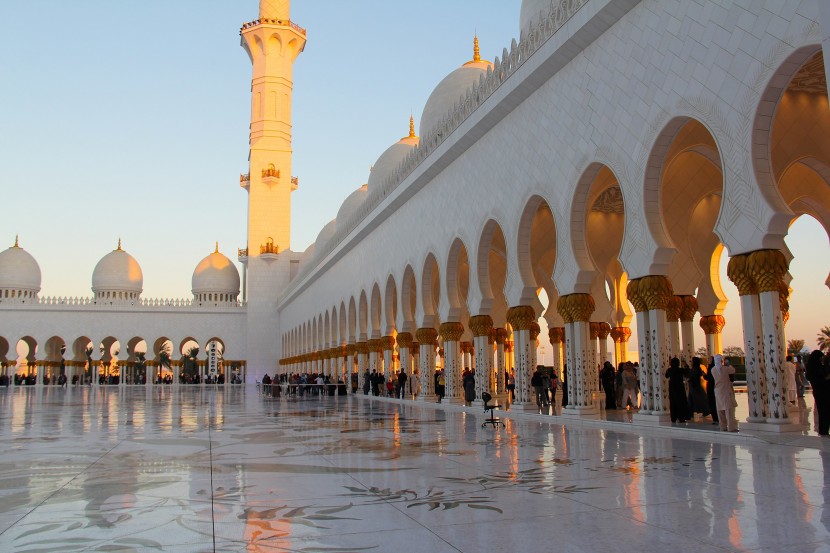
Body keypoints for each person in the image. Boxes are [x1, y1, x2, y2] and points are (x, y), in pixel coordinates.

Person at [806, 350, 830, 435]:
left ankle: (823, 430)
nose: (821, 359)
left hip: (817, 391)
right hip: (824, 391)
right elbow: (823, 379)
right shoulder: (817, 367)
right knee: (825, 411)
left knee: (822, 411)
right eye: (820, 357)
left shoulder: (810, 367)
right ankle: (824, 429)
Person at [711, 354, 737, 432]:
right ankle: (731, 427)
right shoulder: (725, 369)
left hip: (718, 391)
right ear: (721, 361)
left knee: (720, 409)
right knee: (728, 409)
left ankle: (723, 427)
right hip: (725, 391)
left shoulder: (713, 369)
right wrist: (728, 364)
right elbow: (733, 370)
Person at [665, 357, 690, 423]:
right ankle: (681, 417)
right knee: (680, 402)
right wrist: (686, 366)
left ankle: (673, 417)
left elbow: (666, 376)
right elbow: (687, 373)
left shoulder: (669, 370)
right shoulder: (680, 370)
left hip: (672, 388)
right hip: (680, 388)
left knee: (673, 403)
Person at [704, 358, 719, 425]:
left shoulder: (711, 367)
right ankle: (720, 418)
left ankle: (715, 418)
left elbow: (708, 377)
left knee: (712, 402)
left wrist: (704, 374)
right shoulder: (719, 367)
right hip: (717, 386)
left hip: (710, 386)